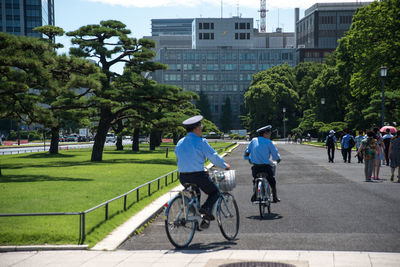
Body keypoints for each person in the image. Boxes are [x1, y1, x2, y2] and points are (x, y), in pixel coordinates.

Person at [175, 115, 230, 222]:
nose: (202, 128)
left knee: (196, 193)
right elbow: (213, 157)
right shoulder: (201, 141)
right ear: (196, 128)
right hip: (198, 176)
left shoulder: (180, 142)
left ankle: (196, 218)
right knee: (215, 192)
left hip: (183, 176)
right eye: (201, 126)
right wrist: (225, 165)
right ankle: (205, 209)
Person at [244, 125, 281, 203]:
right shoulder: (268, 142)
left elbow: (247, 152)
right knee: (272, 181)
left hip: (256, 167)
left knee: (255, 179)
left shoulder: (253, 140)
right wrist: (278, 159)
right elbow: (275, 153)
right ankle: (275, 197)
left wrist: (249, 159)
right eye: (268, 132)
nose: (270, 134)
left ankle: (255, 193)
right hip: (266, 167)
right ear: (264, 134)